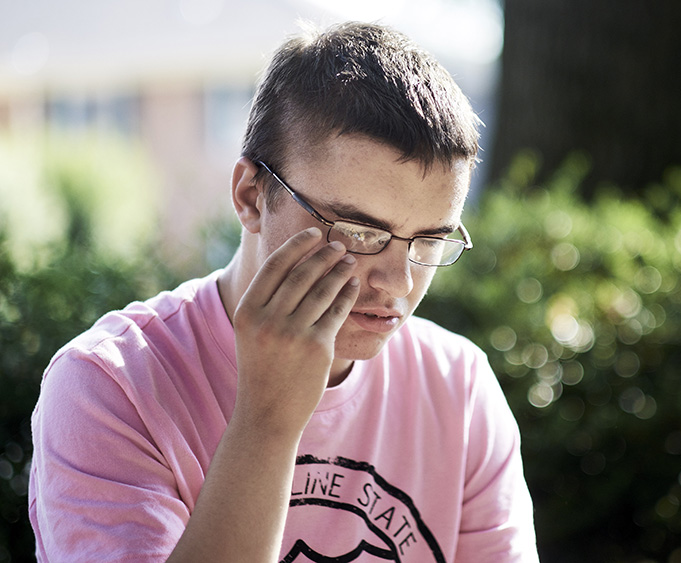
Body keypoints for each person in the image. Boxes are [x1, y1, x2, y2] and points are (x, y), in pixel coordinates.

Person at [28, 21, 538, 562]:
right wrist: (267, 422)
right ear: (251, 195)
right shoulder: (108, 386)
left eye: (431, 239)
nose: (399, 282)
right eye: (359, 233)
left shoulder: (456, 385)